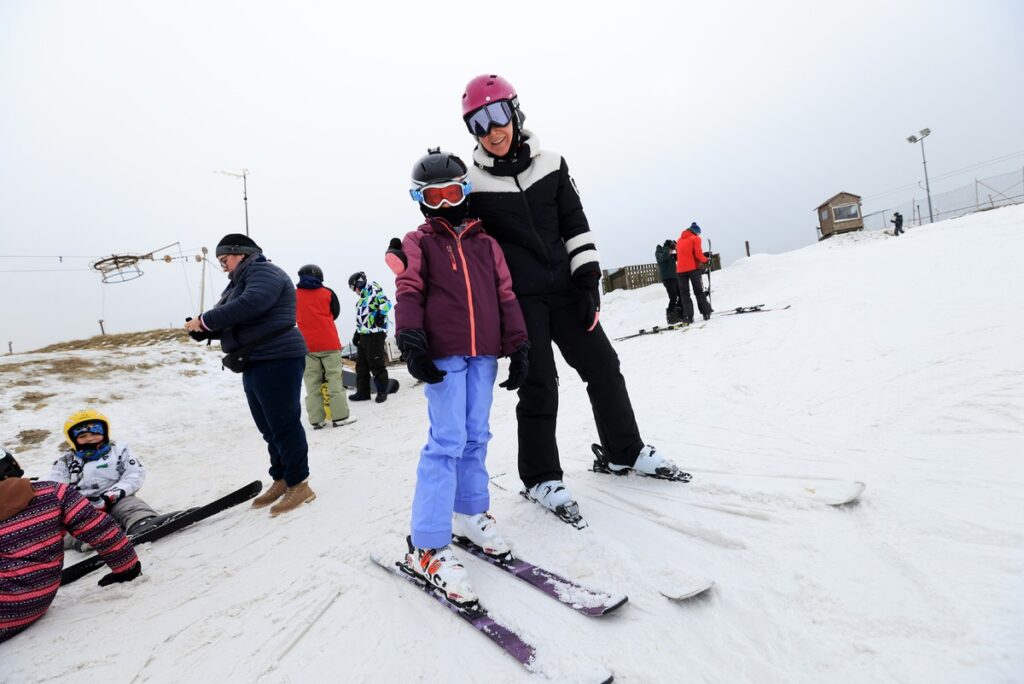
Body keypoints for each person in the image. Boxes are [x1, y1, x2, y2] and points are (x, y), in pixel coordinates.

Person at [458, 73, 687, 524]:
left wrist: (587, 281)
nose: (492, 130)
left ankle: (624, 451)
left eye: (498, 115)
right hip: (522, 301)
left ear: (515, 111)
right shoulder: (472, 184)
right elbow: (454, 233)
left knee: (603, 366)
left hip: (566, 291)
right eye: (478, 123)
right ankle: (541, 476)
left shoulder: (552, 164)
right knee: (539, 382)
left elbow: (574, 224)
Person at [395, 148, 530, 605]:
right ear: (420, 200)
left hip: (484, 354)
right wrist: (411, 336)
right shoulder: (419, 242)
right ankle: (428, 544)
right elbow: (409, 287)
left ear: (465, 192)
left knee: (477, 434)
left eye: (452, 192)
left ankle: (470, 513)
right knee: (447, 440)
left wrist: (518, 343)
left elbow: (506, 295)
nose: (445, 204)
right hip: (444, 354)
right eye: (433, 196)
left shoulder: (486, 243)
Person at [184, 233, 315, 516]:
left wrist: (205, 320)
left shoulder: (264, 272)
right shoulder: (236, 284)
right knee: (267, 426)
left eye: (224, 260)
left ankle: (299, 483)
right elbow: (230, 317)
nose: (223, 266)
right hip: (254, 360)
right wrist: (202, 330)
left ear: (240, 253)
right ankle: (281, 478)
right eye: (219, 262)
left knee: (283, 424)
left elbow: (252, 304)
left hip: (277, 356)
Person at [1, 447, 141, 644]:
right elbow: (102, 530)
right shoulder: (54, 492)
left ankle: (142, 519)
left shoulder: (116, 454)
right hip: (36, 601)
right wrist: (127, 568)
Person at [48, 409, 160, 536]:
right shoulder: (65, 462)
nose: (90, 439)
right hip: (83, 507)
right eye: (82, 436)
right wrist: (75, 506)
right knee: (69, 526)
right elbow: (56, 488)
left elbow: (134, 474)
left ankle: (142, 522)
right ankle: (95, 539)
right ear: (73, 440)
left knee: (130, 505)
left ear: (105, 433)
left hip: (116, 499)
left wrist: (111, 495)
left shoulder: (119, 451)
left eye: (95, 433)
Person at [295, 264, 356, 429]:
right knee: (334, 380)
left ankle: (317, 420)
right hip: (329, 342)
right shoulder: (328, 293)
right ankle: (340, 417)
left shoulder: (294, 295)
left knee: (311, 383)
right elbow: (335, 313)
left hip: (306, 345)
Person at [347, 271, 393, 404]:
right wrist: (357, 333)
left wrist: (380, 315)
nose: (353, 291)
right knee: (361, 366)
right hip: (364, 335)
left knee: (376, 364)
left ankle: (382, 391)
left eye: (353, 287)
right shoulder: (361, 301)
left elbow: (386, 303)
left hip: (375, 333)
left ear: (359, 283)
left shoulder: (373, 289)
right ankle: (363, 392)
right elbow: (362, 319)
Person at [676, 222, 712, 323]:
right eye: (699, 233)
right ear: (696, 231)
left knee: (684, 294)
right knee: (698, 291)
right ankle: (706, 312)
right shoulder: (696, 238)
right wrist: (706, 260)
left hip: (680, 270)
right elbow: (698, 254)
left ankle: (688, 317)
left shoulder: (679, 240)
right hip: (692, 268)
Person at [655, 239, 682, 324]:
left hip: (675, 277)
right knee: (673, 297)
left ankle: (679, 314)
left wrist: (677, 248)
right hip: (667, 279)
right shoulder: (659, 253)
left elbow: (681, 255)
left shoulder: (670, 254)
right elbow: (663, 258)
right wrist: (667, 248)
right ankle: (671, 317)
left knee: (681, 295)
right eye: (671, 247)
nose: (672, 250)